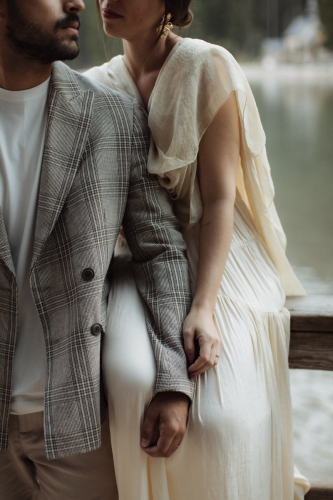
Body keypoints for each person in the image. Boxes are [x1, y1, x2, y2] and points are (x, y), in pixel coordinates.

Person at [85, 1, 311, 499]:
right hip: (139, 255)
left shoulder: (206, 66)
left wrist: (204, 306)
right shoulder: (96, 86)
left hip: (216, 247)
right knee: (127, 379)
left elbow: (220, 200)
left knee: (223, 419)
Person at [0, 0, 195, 498]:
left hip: (74, 419)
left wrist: (173, 379)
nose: (77, 2)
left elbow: (161, 252)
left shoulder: (111, 116)